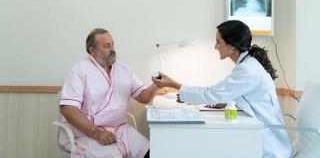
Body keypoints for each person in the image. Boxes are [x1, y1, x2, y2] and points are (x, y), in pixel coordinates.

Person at [152, 20, 293, 158]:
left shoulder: (247, 69)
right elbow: (250, 98)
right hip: (261, 135)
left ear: (231, 47)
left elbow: (211, 94)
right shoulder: (248, 64)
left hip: (269, 147)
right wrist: (228, 103)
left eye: (218, 42)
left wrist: (172, 84)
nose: (215, 47)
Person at [59, 28, 159, 158]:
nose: (113, 49)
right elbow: (67, 109)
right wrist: (96, 133)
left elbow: (142, 97)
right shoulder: (79, 70)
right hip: (87, 132)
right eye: (107, 46)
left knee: (151, 152)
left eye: (112, 44)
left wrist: (156, 85)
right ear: (92, 50)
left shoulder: (123, 70)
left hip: (120, 129)